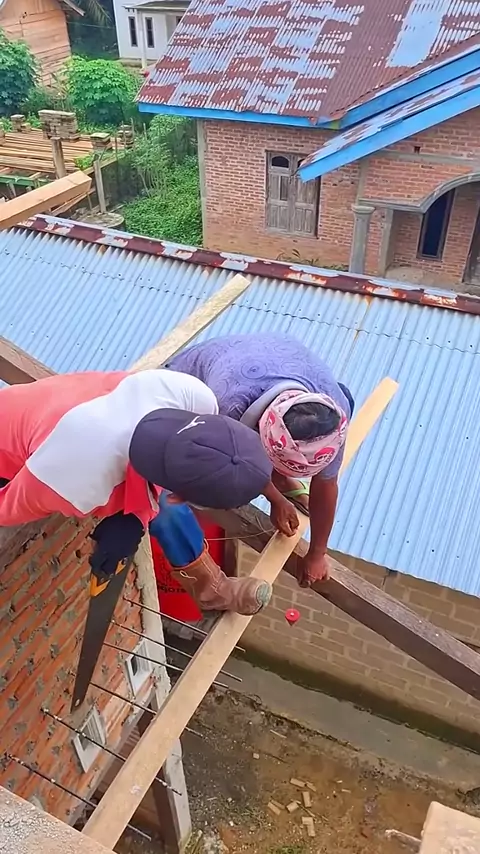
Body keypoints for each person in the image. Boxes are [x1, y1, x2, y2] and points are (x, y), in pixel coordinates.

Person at [0, 367, 280, 615]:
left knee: (161, 507)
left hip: (50, 411)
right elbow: (5, 508)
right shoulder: (77, 480)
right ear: (179, 497)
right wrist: (132, 515)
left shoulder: (192, 394)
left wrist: (135, 517)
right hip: (19, 458)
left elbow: (149, 458)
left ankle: (211, 589)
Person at [165, 334, 355, 586]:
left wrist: (318, 553)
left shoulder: (332, 418)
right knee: (207, 486)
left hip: (266, 359)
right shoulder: (225, 406)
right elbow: (239, 459)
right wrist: (274, 497)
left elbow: (327, 483)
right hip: (188, 379)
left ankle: (283, 480)